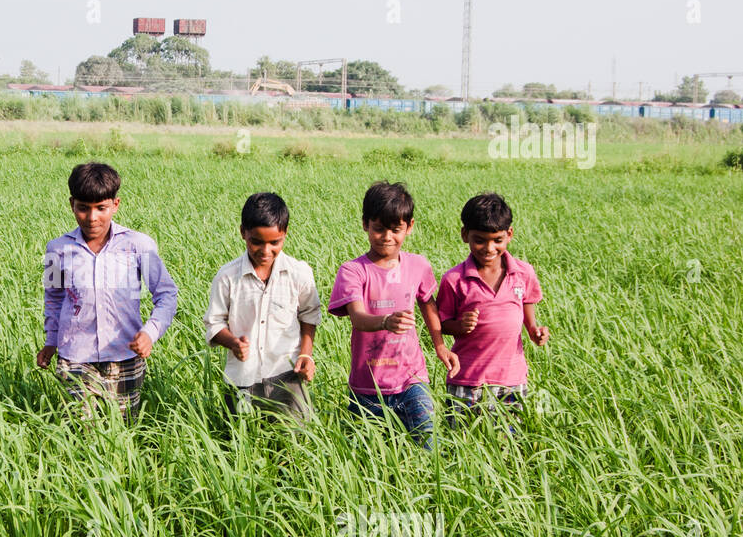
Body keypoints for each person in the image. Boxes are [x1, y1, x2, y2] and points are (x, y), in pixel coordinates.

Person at [36, 162, 178, 420]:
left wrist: (150, 332)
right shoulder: (56, 249)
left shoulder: (139, 246)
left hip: (124, 355)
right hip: (75, 356)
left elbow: (166, 294)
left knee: (123, 428)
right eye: (83, 208)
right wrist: (51, 340)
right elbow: (54, 298)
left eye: (101, 208)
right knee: (81, 430)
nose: (92, 218)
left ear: (115, 204)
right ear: (72, 204)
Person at [327, 181, 458, 448]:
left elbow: (428, 305)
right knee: (365, 457)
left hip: (412, 379)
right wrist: (386, 321)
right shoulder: (353, 271)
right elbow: (358, 318)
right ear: (365, 224)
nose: (387, 236)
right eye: (379, 228)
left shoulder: (418, 266)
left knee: (427, 447)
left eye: (396, 229)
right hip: (367, 386)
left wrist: (440, 346)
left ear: (409, 227)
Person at [204, 192, 321, 420]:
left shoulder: (299, 273)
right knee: (240, 440)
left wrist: (306, 355)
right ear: (243, 233)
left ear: (285, 235)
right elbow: (214, 323)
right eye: (256, 241)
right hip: (243, 378)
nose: (265, 251)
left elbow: (309, 314)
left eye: (274, 242)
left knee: (293, 441)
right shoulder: (227, 277)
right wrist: (233, 342)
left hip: (288, 376)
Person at [437, 193, 548, 420]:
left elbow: (526, 303)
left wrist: (534, 330)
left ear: (509, 235)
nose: (489, 248)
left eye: (497, 240)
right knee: (463, 441)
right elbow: (442, 324)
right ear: (465, 235)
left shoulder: (523, 273)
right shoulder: (454, 279)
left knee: (509, 443)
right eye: (480, 240)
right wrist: (461, 325)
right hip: (467, 379)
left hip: (511, 378)